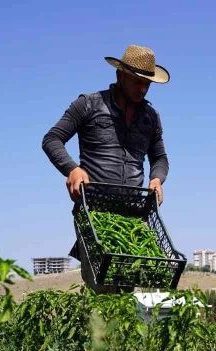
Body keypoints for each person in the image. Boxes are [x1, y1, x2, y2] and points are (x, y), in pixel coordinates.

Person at [41, 44, 171, 289]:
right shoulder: (88, 105)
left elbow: (160, 158)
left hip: (134, 216)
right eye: (136, 81)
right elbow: (52, 139)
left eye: (147, 84)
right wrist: (72, 169)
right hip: (95, 212)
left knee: (126, 289)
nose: (142, 88)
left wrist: (157, 179)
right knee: (102, 288)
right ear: (120, 75)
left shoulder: (150, 117)